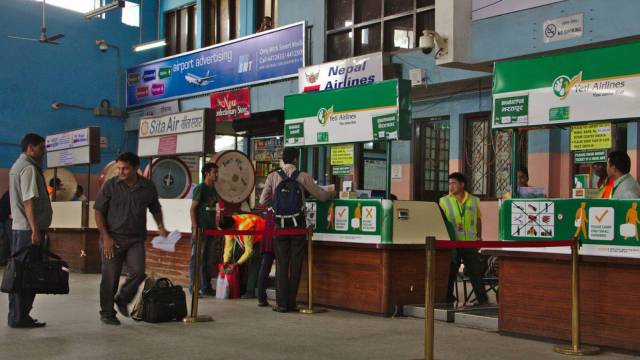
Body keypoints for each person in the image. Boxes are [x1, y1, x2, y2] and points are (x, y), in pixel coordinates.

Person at [94, 152, 168, 325]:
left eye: (125, 168)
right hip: (112, 238)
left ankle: (122, 298)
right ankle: (107, 312)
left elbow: (155, 208)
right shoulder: (110, 186)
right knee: (110, 277)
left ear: (135, 168)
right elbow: (98, 212)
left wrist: (160, 226)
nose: (121, 171)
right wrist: (106, 238)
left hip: (135, 239)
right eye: (119, 167)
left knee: (138, 272)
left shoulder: (148, 187)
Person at [259, 147, 333, 312]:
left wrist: (277, 208)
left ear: (283, 160)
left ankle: (281, 304)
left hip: (280, 226)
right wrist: (331, 193)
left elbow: (263, 200)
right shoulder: (303, 176)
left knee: (281, 264)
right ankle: (292, 302)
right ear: (295, 159)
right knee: (296, 264)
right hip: (297, 225)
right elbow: (321, 196)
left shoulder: (273, 176)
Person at [7, 133, 52, 328]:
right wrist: (35, 231)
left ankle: (16, 316)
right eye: (41, 148)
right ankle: (21, 317)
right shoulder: (29, 169)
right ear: (30, 148)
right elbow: (28, 202)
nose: (43, 152)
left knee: (19, 274)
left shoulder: (17, 166)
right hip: (28, 231)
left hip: (20, 229)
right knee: (27, 275)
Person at [439, 172, 488, 306]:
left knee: (475, 272)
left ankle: (483, 300)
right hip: (453, 242)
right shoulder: (444, 201)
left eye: (454, 183)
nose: (451, 186)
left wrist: (479, 236)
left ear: (462, 184)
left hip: (470, 242)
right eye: (449, 183)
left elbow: (478, 219)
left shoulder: (473, 200)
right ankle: (448, 298)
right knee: (451, 272)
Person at [189, 163, 219, 297]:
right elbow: (192, 208)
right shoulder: (201, 188)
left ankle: (206, 287)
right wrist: (195, 228)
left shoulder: (214, 189)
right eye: (214, 172)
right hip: (200, 228)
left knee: (208, 259)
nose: (217, 175)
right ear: (207, 173)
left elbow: (213, 208)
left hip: (211, 228)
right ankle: (194, 287)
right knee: (197, 258)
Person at [222, 213, 266, 299]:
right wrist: (226, 262)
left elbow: (249, 251)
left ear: (233, 227)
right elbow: (228, 247)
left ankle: (250, 290)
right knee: (236, 256)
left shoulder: (245, 227)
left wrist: (236, 264)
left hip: (263, 236)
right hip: (252, 237)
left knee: (254, 260)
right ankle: (241, 288)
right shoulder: (229, 225)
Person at [0, 190, 11, 266]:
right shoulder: (11, 194)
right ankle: (3, 260)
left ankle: (3, 260)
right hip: (3, 219)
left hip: (3, 218)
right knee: (5, 241)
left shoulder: (8, 193)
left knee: (5, 241)